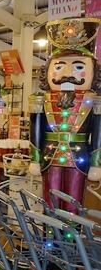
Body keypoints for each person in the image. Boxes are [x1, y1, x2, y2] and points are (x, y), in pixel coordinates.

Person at [29, 17, 101, 212]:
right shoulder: (40, 100)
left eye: (79, 67)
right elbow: (34, 130)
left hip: (80, 158)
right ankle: (49, 241)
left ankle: (70, 239)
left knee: (74, 203)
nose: (68, 73)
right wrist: (34, 158)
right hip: (49, 155)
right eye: (59, 67)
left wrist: (96, 163)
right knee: (49, 202)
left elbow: (98, 134)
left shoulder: (94, 101)